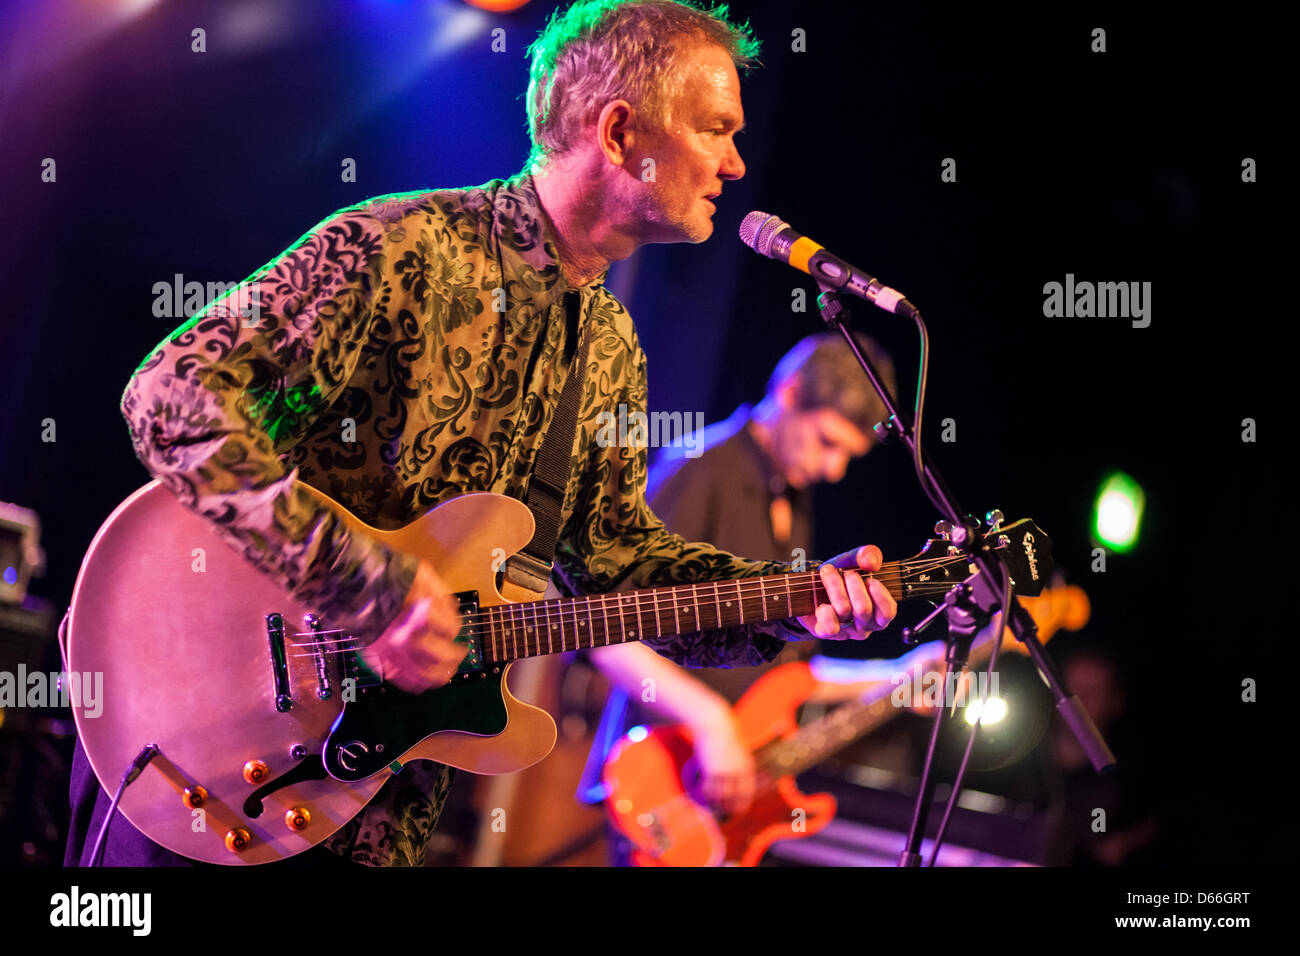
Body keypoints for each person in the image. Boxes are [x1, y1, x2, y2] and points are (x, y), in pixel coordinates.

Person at [65, 0, 898, 867]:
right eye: (716, 128)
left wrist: (801, 600)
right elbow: (172, 395)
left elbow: (618, 565)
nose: (735, 161)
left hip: (380, 811)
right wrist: (366, 585)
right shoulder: (403, 248)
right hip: (213, 739)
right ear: (619, 132)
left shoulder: (610, 349)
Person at [578, 332, 905, 862]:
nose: (835, 470)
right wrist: (712, 722)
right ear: (792, 393)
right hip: (663, 776)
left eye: (849, 454)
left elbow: (793, 670)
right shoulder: (701, 466)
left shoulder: (790, 495)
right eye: (828, 442)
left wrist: (902, 672)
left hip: (723, 799)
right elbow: (603, 632)